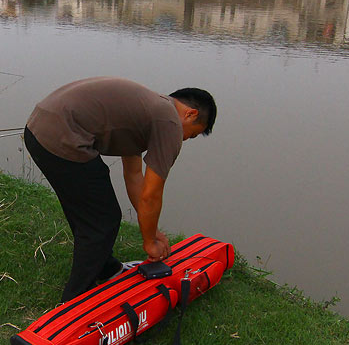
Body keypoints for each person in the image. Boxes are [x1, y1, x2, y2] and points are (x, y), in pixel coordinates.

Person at [24, 77, 216, 302]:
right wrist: (149, 243)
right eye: (191, 134)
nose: (184, 139)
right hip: (62, 137)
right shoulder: (170, 123)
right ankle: (74, 300)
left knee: (90, 213)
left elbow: (134, 177)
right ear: (190, 114)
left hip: (38, 130)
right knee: (102, 221)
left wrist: (151, 231)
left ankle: (106, 269)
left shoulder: (146, 110)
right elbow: (151, 195)